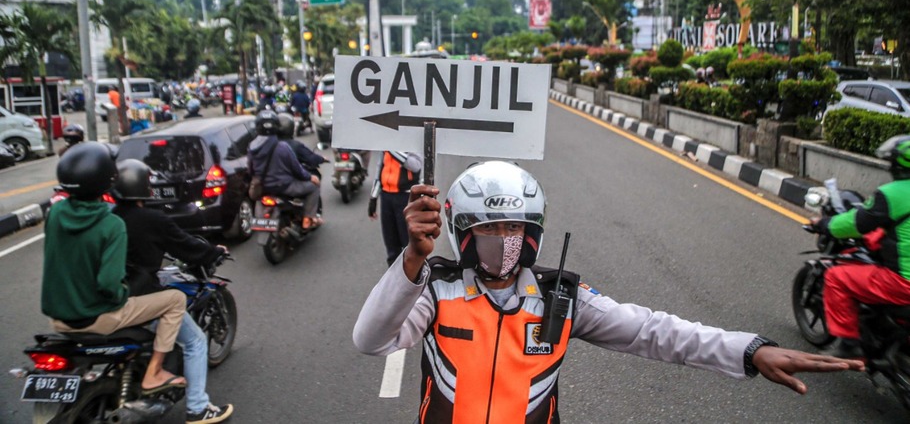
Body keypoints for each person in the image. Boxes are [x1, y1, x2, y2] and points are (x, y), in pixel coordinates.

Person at [353, 161, 864, 422]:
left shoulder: (561, 299)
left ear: (535, 233)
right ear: (460, 232)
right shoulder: (436, 288)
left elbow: (654, 332)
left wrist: (750, 350)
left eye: (515, 229)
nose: (504, 243)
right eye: (489, 230)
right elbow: (371, 339)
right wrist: (412, 260)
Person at [41, 142, 188, 395]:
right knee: (176, 299)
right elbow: (109, 285)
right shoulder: (111, 224)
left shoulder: (55, 214)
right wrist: (125, 293)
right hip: (97, 317)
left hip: (58, 318)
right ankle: (154, 372)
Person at [111, 159, 234, 423]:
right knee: (195, 341)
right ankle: (198, 407)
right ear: (145, 187)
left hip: (108, 297)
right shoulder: (151, 219)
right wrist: (213, 252)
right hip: (138, 297)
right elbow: (185, 246)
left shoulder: (110, 217)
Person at [811, 134, 910, 358]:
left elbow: (856, 224)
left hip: (903, 284)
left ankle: (849, 345)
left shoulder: (892, 194)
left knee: (837, 278)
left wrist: (825, 224)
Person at [248, 110, 321, 229]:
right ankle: (308, 218)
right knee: (314, 186)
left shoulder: (252, 147)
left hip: (263, 188)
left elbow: (251, 170)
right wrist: (310, 177)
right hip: (285, 187)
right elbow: (297, 169)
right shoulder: (282, 147)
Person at [368, 151, 422, 266]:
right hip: (386, 196)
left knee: (407, 240)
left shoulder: (410, 143)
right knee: (390, 240)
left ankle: (413, 274)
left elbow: (416, 166)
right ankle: (393, 273)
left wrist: (393, 149)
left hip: (405, 197)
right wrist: (373, 198)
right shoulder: (386, 147)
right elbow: (379, 172)